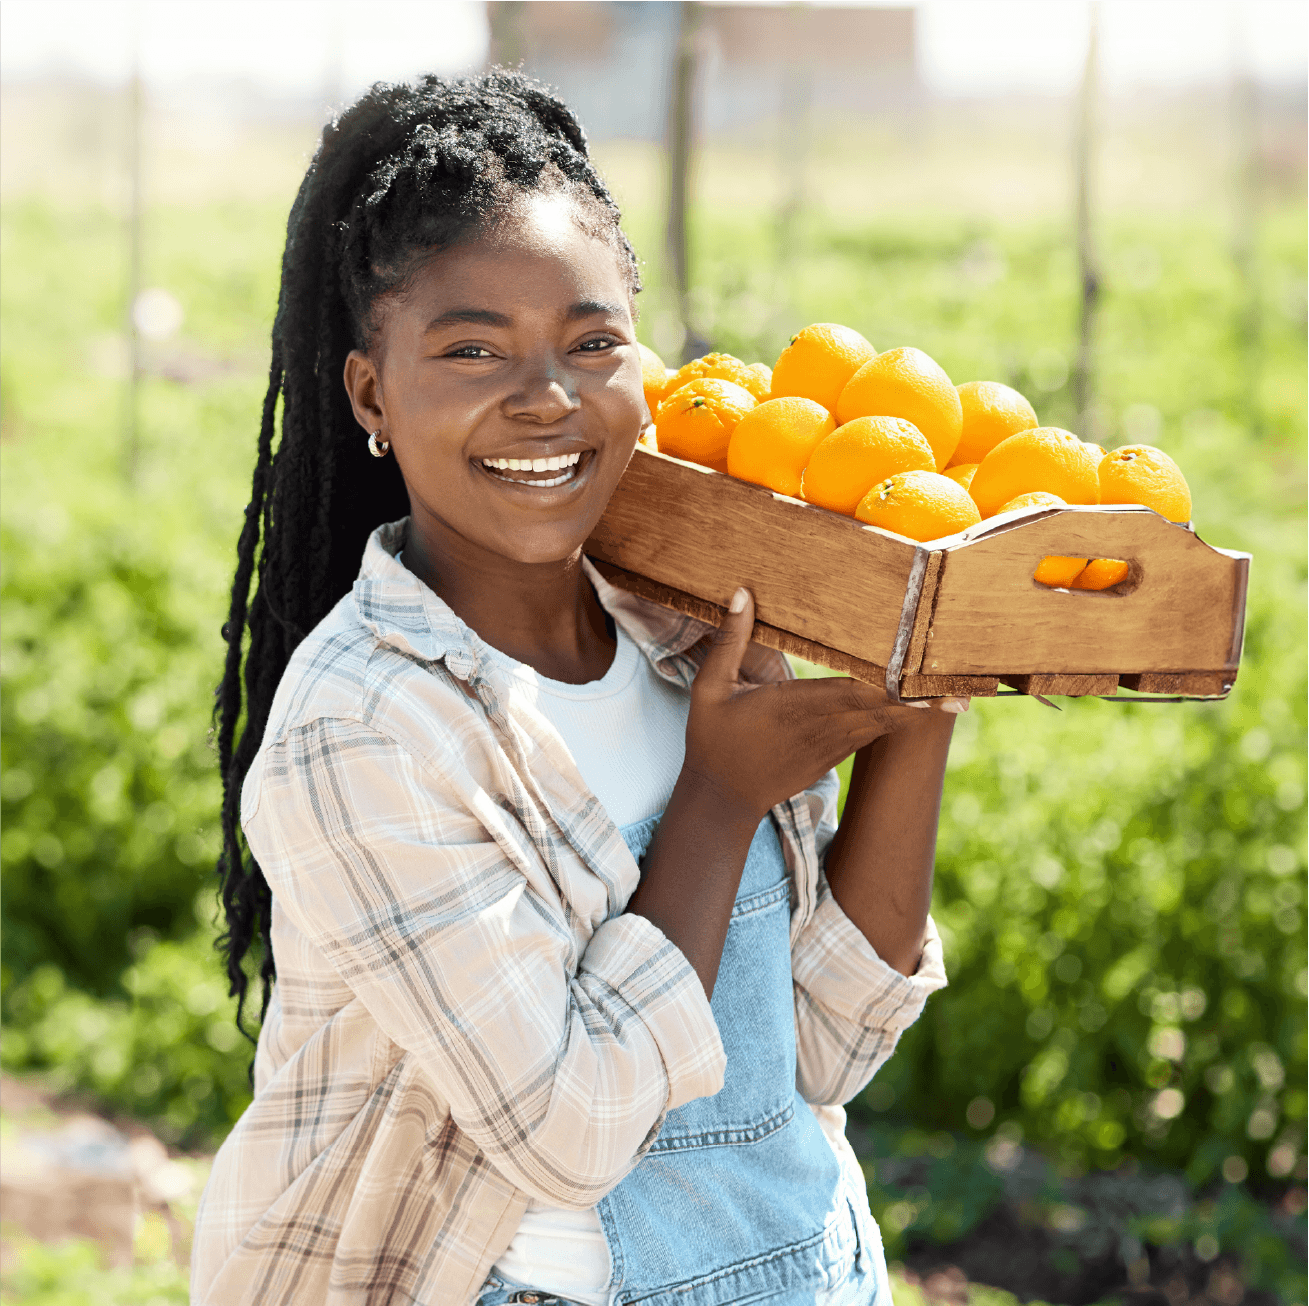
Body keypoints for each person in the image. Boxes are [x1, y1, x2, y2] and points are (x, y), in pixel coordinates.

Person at [192, 70, 958, 1306]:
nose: (546, 398)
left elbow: (821, 1050)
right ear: (371, 393)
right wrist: (716, 796)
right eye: (473, 348)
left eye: (592, 342)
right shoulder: (366, 725)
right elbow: (566, 1131)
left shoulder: (688, 629)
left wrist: (922, 698)